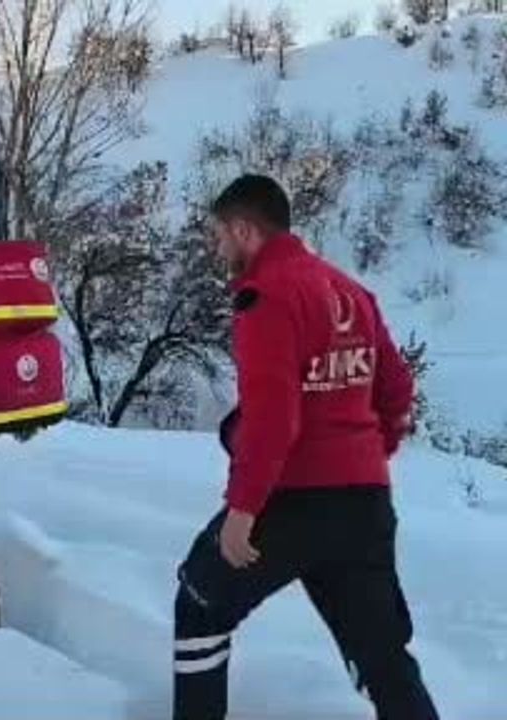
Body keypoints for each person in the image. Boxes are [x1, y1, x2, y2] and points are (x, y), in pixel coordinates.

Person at [173, 175, 438, 720]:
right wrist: (363, 457)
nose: (218, 248)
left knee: (199, 602)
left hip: (291, 501)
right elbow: (396, 390)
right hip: (365, 504)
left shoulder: (267, 296)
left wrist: (243, 512)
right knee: (383, 656)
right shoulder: (349, 290)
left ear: (245, 229)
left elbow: (273, 419)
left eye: (220, 235)